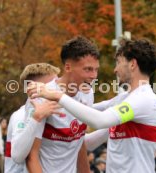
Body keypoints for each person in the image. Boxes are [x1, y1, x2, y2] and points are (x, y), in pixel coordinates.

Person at [28, 38, 156, 172]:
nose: (115, 70)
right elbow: (84, 120)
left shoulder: (144, 99)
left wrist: (57, 95)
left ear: (132, 64)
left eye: (119, 62)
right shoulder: (125, 99)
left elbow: (100, 120)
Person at [17, 36, 100, 173]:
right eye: (88, 69)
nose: (94, 75)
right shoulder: (41, 97)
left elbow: (79, 144)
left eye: (96, 69)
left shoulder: (88, 93)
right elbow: (31, 157)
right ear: (68, 67)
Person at [4, 63, 61, 173]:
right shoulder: (20, 116)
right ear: (31, 87)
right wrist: (36, 118)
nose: (57, 87)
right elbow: (18, 155)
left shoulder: (49, 111)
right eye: (51, 84)